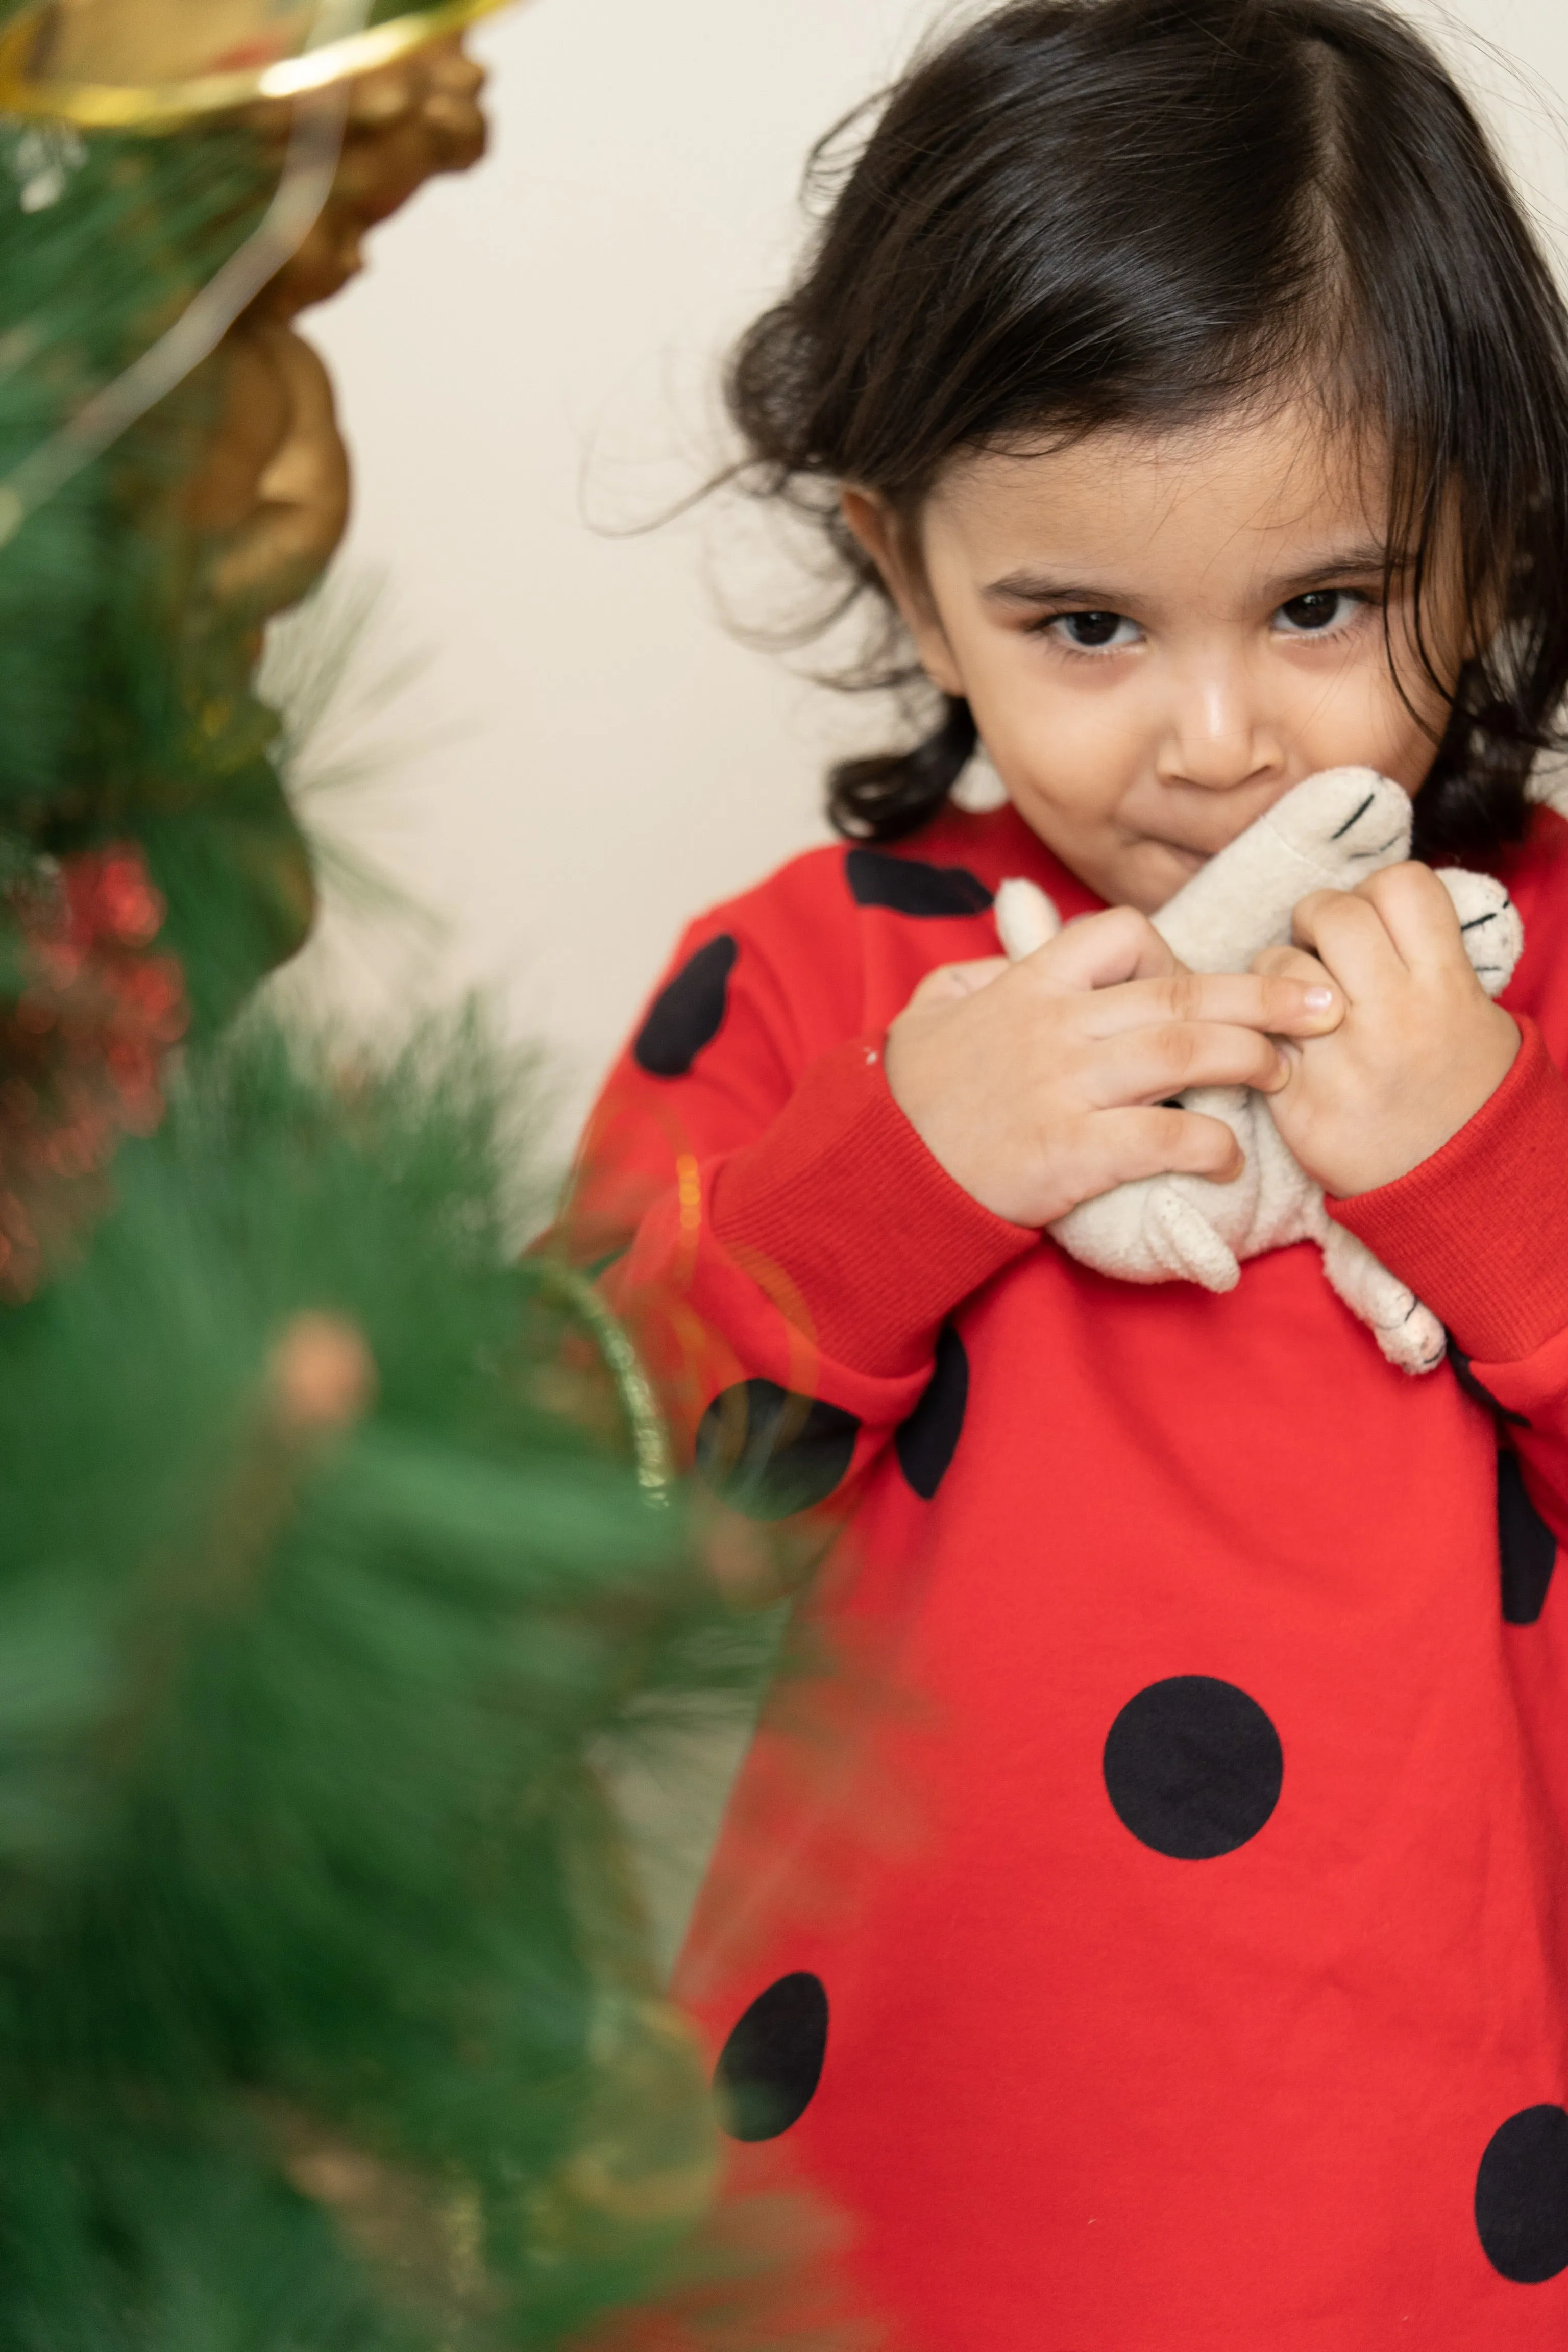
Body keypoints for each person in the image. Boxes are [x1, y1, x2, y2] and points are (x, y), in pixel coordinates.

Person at [558, 1, 1568, 2341]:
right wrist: (896, 1175)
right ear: (910, 582)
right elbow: (545, 1533)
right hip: (906, 2204)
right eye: (1084, 625)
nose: (1218, 743)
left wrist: (1492, 1179)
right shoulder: (816, 985)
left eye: (1324, 604)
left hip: (1473, 2214)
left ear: (1497, 534)